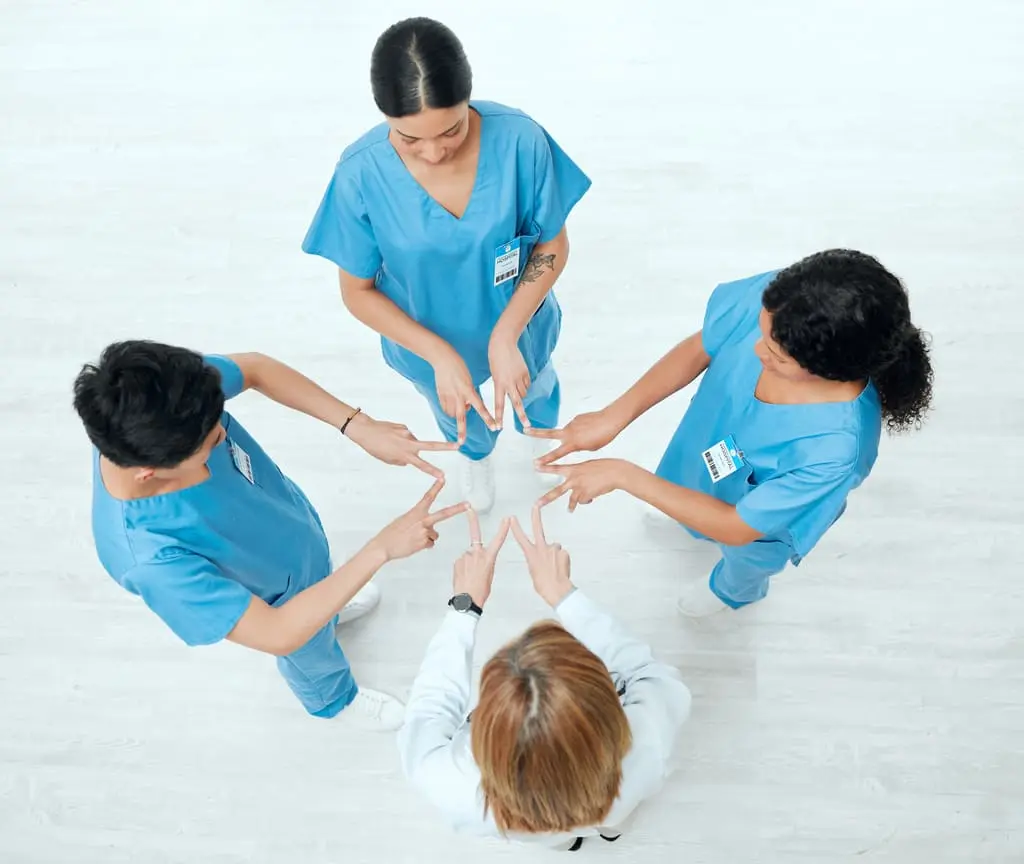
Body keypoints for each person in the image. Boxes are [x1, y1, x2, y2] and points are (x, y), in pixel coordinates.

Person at [73, 341, 468, 730]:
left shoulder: (166, 402)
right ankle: (334, 700)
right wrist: (381, 549)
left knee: (322, 587)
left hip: (290, 533)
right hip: (282, 606)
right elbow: (277, 632)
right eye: (209, 442)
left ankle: (329, 603)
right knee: (310, 649)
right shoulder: (153, 560)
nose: (224, 437)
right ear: (150, 471)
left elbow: (255, 368)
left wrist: (357, 425)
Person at [530, 249, 935, 616]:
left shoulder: (834, 450)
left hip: (754, 528)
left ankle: (730, 593)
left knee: (745, 563)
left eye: (775, 355)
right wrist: (614, 416)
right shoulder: (787, 304)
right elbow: (702, 346)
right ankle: (682, 507)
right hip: (708, 443)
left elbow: (737, 527)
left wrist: (624, 475)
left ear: (825, 369)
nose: (758, 350)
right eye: (762, 333)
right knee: (685, 481)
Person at [302, 16, 591, 514]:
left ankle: (541, 441)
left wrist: (506, 336)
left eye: (451, 130)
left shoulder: (521, 140)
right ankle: (476, 457)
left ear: (468, 99)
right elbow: (358, 291)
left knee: (537, 391)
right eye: (409, 140)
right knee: (457, 413)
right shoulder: (360, 173)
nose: (434, 152)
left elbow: (550, 246)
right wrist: (438, 355)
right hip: (424, 338)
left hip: (521, 324)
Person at [397, 506, 691, 850]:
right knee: (614, 818)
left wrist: (466, 605)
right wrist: (563, 594)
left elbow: (429, 709)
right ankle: (608, 828)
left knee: (556, 839)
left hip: (523, 827)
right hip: (615, 803)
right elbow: (644, 670)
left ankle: (566, 843)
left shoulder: (449, 785)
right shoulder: (649, 737)